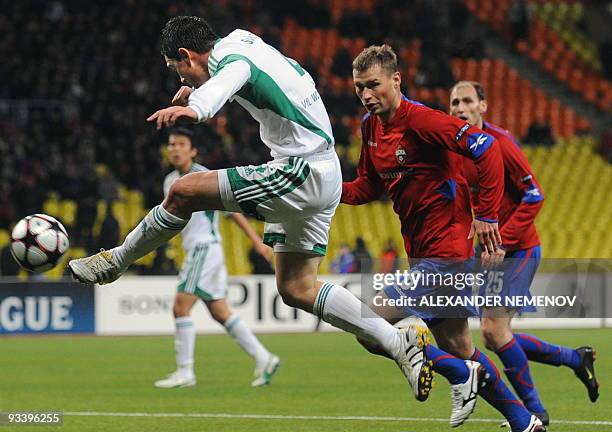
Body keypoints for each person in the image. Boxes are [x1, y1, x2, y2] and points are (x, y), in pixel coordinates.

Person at [68, 16, 433, 402]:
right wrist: (197, 87)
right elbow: (237, 71)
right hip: (322, 171)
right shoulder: (240, 40)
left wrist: (198, 108)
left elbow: (232, 75)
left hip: (300, 170)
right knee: (296, 288)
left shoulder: (232, 60)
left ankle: (115, 261)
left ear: (185, 55)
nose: (177, 75)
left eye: (175, 67)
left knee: (182, 191)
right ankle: (398, 341)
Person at [343, 45, 544, 432]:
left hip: (448, 253)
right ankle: (525, 421)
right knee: (459, 345)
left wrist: (486, 214)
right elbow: (367, 187)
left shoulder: (424, 121)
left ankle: (457, 374)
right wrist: (326, 191)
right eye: (358, 88)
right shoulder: (370, 128)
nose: (366, 95)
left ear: (396, 80)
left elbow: (486, 149)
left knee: (369, 322)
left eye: (373, 85)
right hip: (422, 255)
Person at [450, 80, 599, 424]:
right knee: (496, 334)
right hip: (491, 251)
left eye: (467, 100)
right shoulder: (455, 150)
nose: (459, 107)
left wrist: (502, 240)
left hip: (518, 249)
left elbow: (535, 195)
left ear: (483, 106)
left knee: (493, 331)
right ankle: (575, 359)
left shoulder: (502, 145)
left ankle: (535, 413)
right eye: (454, 102)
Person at [153, 127, 279, 388]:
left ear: (193, 150)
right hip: (199, 250)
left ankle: (185, 372)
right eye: (171, 144)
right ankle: (264, 357)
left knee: (180, 307)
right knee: (220, 312)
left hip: (204, 248)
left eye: (181, 144)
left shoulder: (202, 177)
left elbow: (232, 212)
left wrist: (256, 241)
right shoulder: (169, 181)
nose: (174, 148)